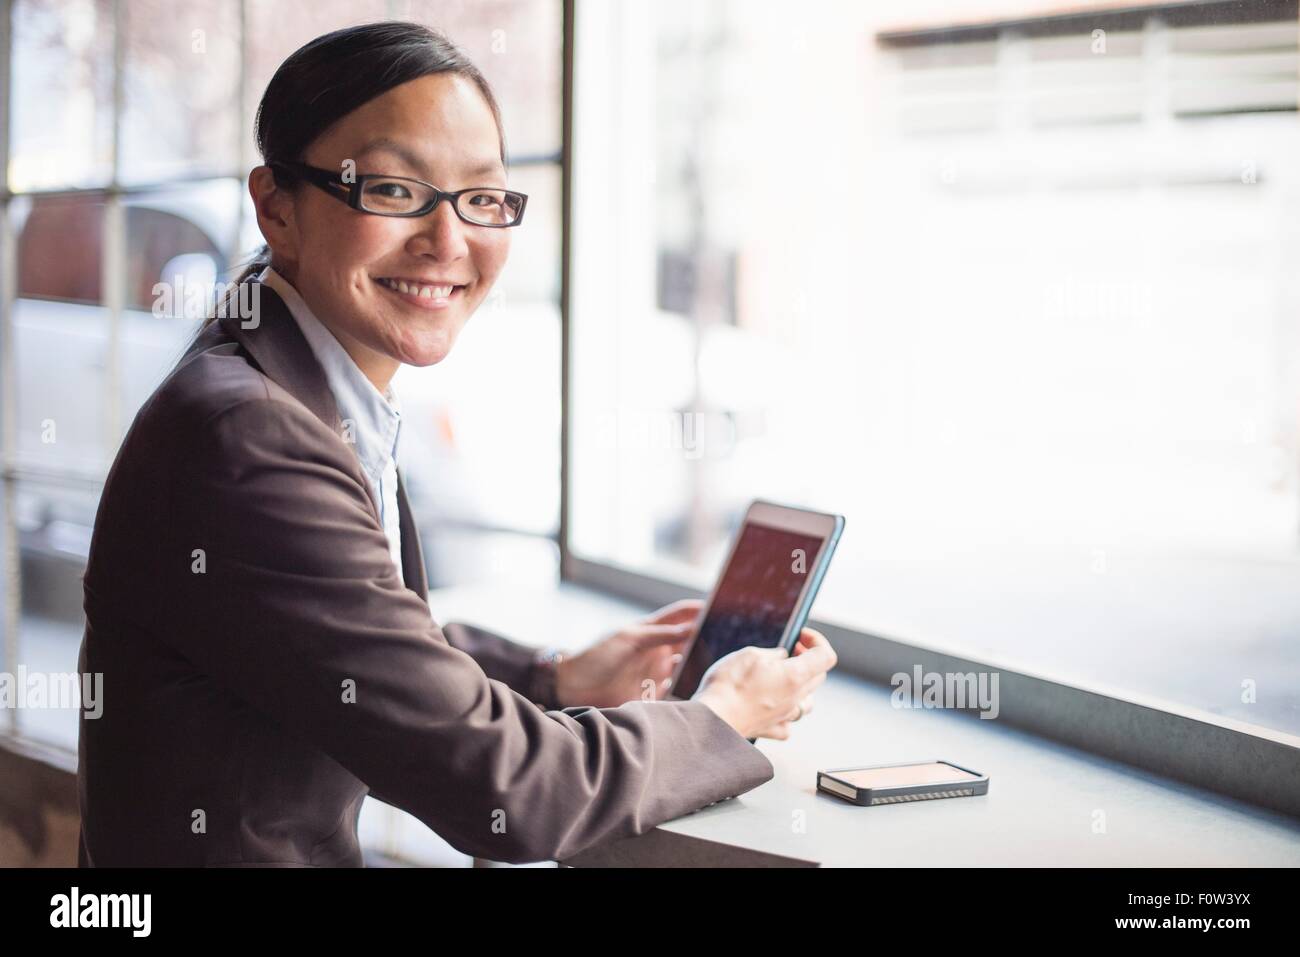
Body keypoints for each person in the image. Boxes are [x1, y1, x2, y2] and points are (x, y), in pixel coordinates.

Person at [76, 21, 836, 867]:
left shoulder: (282, 375)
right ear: (276, 206)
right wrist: (721, 717)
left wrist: (559, 676)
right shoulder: (248, 433)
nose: (448, 241)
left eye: (481, 198)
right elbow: (511, 792)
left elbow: (345, 641)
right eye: (395, 190)